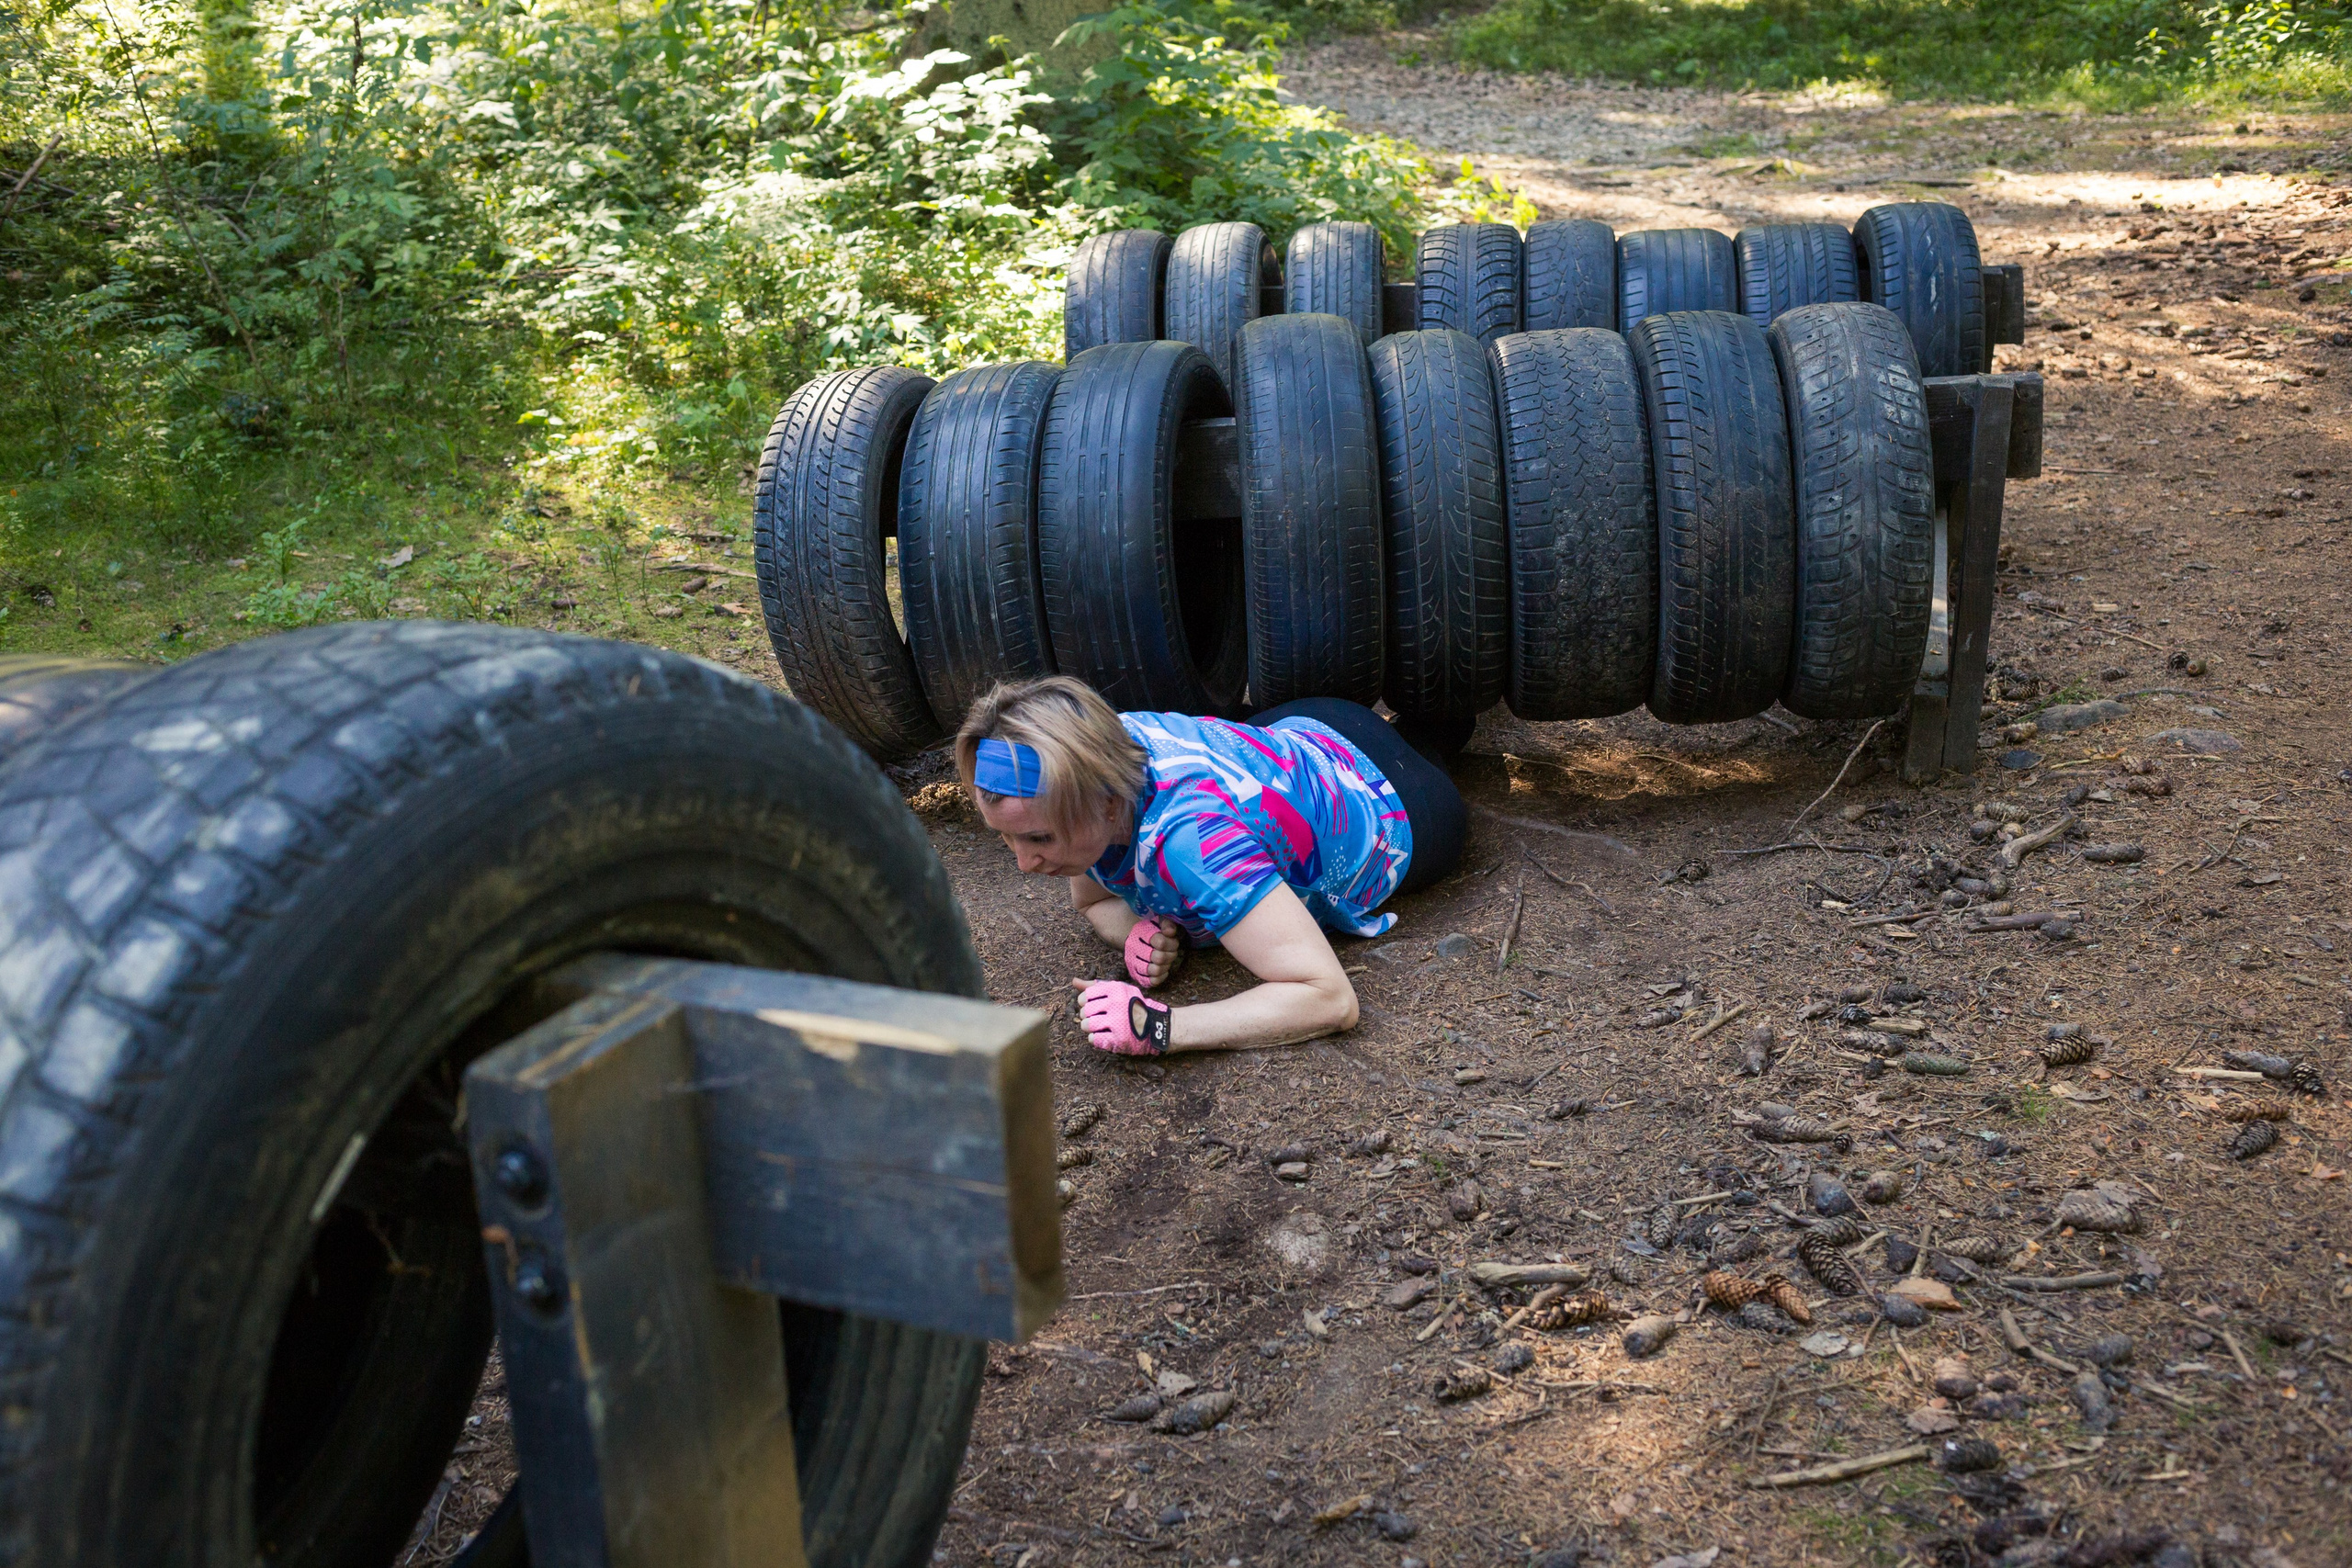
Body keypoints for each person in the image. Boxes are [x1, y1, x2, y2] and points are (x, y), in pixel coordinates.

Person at [954, 677, 1467, 1055]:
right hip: (1308, 724)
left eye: (1040, 837)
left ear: (1108, 805)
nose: (1024, 863)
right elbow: (1095, 901)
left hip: (1400, 807)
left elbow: (1328, 997)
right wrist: (1133, 931)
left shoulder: (1191, 844)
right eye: (1006, 837)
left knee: (1441, 739)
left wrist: (1161, 1027)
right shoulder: (1089, 747)